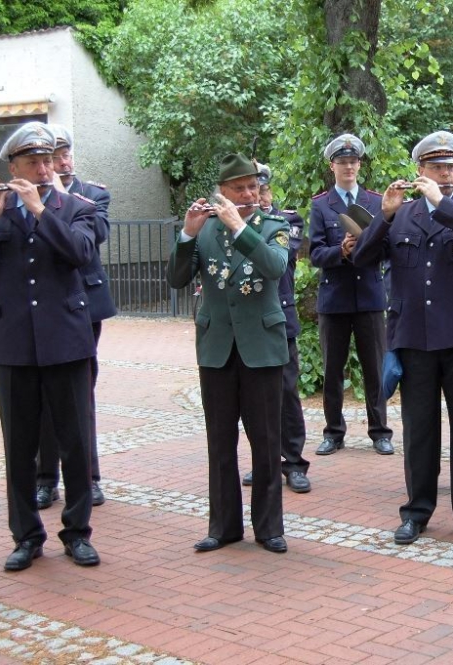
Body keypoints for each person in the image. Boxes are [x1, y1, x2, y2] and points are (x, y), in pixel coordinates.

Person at [0, 121, 100, 570]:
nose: (41, 169)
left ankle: (77, 532)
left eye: (47, 160)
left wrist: (42, 212)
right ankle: (26, 536)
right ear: (13, 167)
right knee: (18, 447)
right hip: (14, 345)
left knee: (74, 441)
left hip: (67, 343)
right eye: (31, 162)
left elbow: (81, 253)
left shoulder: (76, 207)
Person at [352, 130, 453, 546]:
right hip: (414, 337)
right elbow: (361, 259)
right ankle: (417, 511)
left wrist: (441, 202)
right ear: (420, 170)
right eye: (436, 167)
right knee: (420, 430)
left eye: (450, 167)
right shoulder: (400, 214)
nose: (445, 173)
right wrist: (382, 216)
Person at [166, 153, 291, 554]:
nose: (249, 194)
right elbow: (177, 278)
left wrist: (240, 228)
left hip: (262, 347)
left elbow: (274, 267)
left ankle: (269, 527)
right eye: (239, 189)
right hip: (217, 347)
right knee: (220, 442)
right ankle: (223, 527)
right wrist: (187, 235)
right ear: (222, 192)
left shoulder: (274, 225)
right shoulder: (206, 229)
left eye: (253, 187)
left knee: (267, 441)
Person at [35, 124, 116, 509]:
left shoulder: (93, 195)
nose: (61, 162)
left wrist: (62, 198)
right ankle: (45, 478)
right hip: (44, 308)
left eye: (64, 154)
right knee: (44, 396)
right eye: (54, 157)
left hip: (83, 306)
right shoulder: (26, 199)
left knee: (79, 393)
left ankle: (87, 477)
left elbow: (96, 236)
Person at [308, 133, 394, 456]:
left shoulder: (374, 202)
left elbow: (387, 248)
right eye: (342, 162)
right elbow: (315, 253)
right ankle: (333, 432)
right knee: (333, 370)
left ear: (359, 165)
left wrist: (367, 247)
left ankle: (380, 431)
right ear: (333, 166)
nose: (348, 167)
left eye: (353, 161)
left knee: (375, 367)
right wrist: (341, 252)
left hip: (370, 296)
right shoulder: (321, 205)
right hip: (335, 299)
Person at [241, 162, 311, 493]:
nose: (262, 196)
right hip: (249, 323)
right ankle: (263, 460)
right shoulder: (235, 225)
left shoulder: (286, 222)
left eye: (264, 189)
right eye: (256, 190)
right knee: (253, 398)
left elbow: (276, 262)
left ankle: (293, 462)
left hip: (280, 320)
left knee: (286, 392)